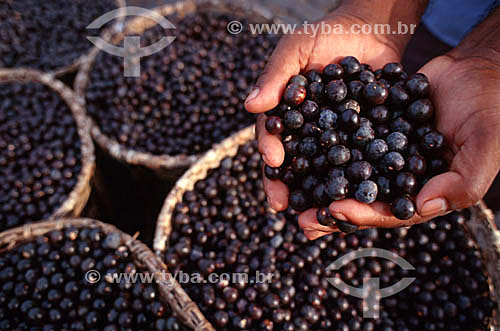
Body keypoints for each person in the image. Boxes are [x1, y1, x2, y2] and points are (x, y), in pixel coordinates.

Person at [245, 0, 500, 240]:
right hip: (418, 21)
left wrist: (491, 59)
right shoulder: (341, 125)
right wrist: (367, 12)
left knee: (474, 162)